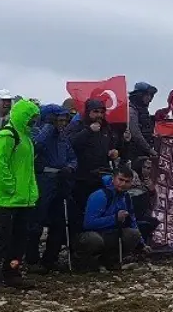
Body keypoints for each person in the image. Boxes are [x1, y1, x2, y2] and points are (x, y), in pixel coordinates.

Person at [0, 99, 41, 289]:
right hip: (4, 199)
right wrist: (11, 188)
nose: (34, 121)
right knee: (1, 240)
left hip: (22, 200)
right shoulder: (6, 135)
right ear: (23, 116)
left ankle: (12, 273)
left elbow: (28, 169)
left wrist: (31, 192)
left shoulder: (26, 137)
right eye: (31, 117)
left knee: (18, 240)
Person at [26, 104, 78, 274]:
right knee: (37, 221)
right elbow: (36, 147)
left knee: (59, 222)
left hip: (61, 180)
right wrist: (49, 127)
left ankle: (51, 258)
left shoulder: (63, 136)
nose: (63, 123)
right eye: (59, 120)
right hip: (43, 180)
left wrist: (70, 167)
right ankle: (32, 259)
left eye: (64, 120)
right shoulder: (37, 132)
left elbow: (72, 156)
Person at [69, 97, 127, 232]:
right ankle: (80, 242)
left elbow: (115, 147)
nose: (99, 115)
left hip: (103, 177)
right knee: (82, 211)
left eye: (102, 112)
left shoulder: (106, 128)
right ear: (88, 112)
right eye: (96, 112)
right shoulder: (78, 125)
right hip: (82, 178)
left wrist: (116, 151)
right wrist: (88, 131)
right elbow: (71, 144)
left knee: (101, 210)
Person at [78, 165, 145, 270]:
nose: (123, 184)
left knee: (133, 234)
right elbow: (88, 223)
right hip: (88, 234)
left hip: (110, 233)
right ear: (113, 178)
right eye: (120, 180)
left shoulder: (126, 197)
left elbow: (132, 221)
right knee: (94, 240)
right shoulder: (100, 195)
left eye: (127, 182)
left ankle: (110, 261)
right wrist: (114, 219)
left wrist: (141, 244)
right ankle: (84, 262)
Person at [126, 82, 158, 175]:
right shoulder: (131, 110)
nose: (150, 99)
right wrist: (149, 150)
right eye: (148, 95)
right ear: (140, 95)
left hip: (143, 153)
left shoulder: (143, 111)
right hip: (133, 154)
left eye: (151, 96)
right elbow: (135, 133)